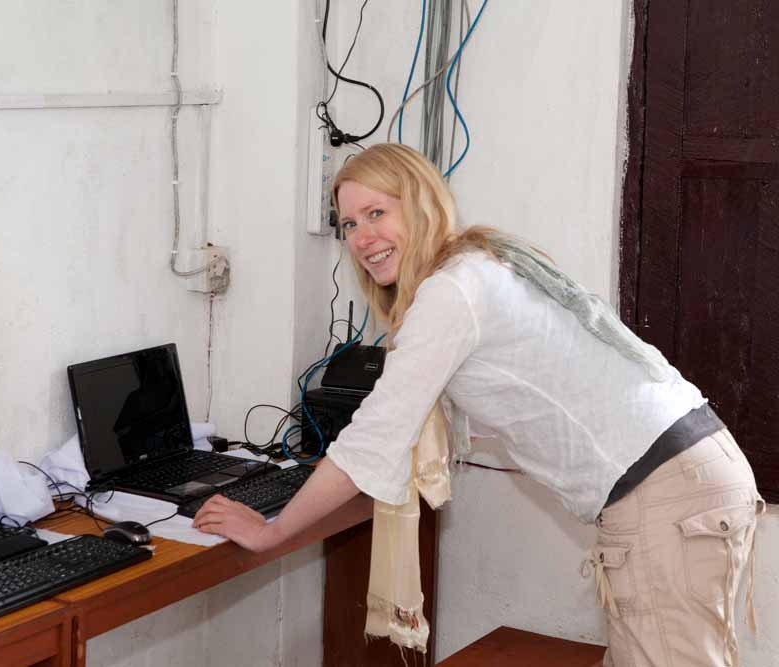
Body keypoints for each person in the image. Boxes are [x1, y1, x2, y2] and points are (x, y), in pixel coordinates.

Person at [192, 143, 764, 666]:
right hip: (686, 475)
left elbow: (371, 441)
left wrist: (271, 532)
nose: (362, 237)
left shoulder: (450, 293)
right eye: (348, 223)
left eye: (377, 213)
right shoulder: (479, 262)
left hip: (662, 495)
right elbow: (388, 449)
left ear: (419, 205)